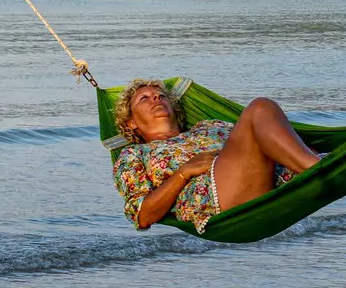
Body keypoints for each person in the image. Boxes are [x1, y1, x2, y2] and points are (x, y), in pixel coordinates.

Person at [111, 80, 322, 233]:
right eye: (144, 99)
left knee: (262, 111)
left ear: (174, 108)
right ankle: (321, 170)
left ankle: (322, 167)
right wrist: (183, 173)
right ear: (131, 123)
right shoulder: (134, 154)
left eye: (161, 95)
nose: (156, 98)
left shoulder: (210, 126)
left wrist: (300, 149)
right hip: (220, 200)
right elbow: (142, 216)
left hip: (270, 178)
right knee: (259, 107)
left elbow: (263, 135)